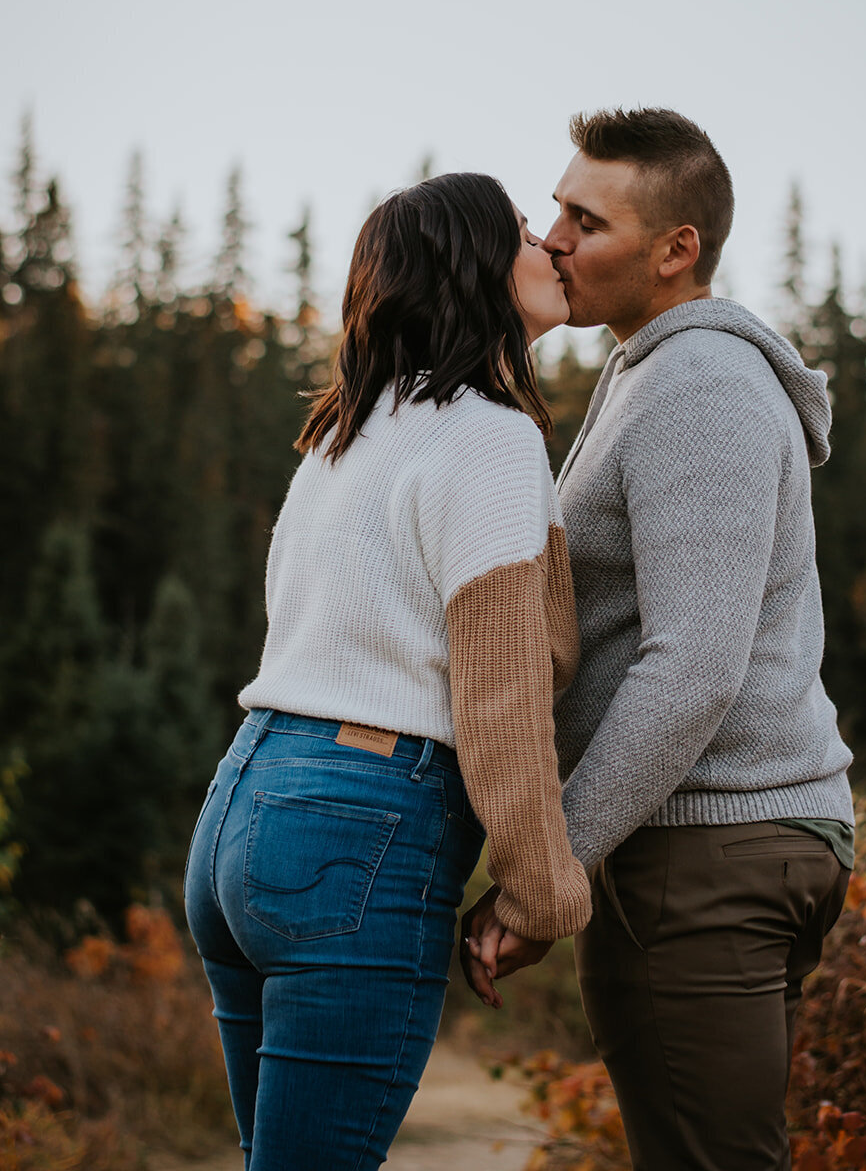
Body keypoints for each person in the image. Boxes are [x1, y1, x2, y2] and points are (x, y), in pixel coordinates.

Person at [463, 109, 854, 1171]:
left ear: (675, 247)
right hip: (709, 839)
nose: (550, 237)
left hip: (704, 847)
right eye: (554, 209)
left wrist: (555, 867)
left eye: (584, 220)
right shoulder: (651, 372)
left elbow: (690, 667)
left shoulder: (698, 385)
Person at [183, 171, 591, 1171]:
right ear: (478, 269)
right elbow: (499, 701)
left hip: (242, 803)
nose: (553, 250)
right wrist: (541, 893)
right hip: (360, 828)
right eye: (529, 236)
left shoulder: (345, 433)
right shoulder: (490, 437)